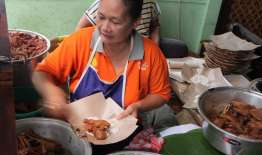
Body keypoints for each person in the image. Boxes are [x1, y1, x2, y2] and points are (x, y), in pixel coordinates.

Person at [32, 0, 173, 128]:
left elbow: (161, 93)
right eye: (101, 17)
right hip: (81, 127)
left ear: (135, 23)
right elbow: (41, 72)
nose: (105, 27)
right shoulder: (80, 41)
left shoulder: (151, 53)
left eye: (115, 22)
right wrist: (52, 92)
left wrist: (139, 105)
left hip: (127, 131)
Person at [76, 0, 160, 44]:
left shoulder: (150, 3)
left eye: (115, 22)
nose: (106, 27)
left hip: (142, 53)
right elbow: (80, 29)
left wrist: (155, 47)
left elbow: (155, 26)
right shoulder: (106, 3)